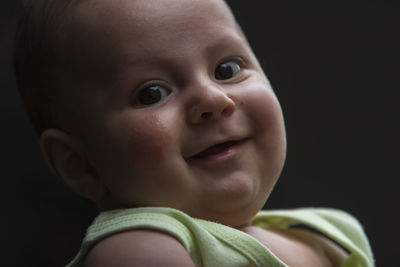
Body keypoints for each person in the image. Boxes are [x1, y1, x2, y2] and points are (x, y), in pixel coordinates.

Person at [14, 0, 374, 266]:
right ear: (81, 165)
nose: (213, 99)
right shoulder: (139, 249)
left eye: (226, 68)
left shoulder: (331, 233)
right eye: (151, 93)